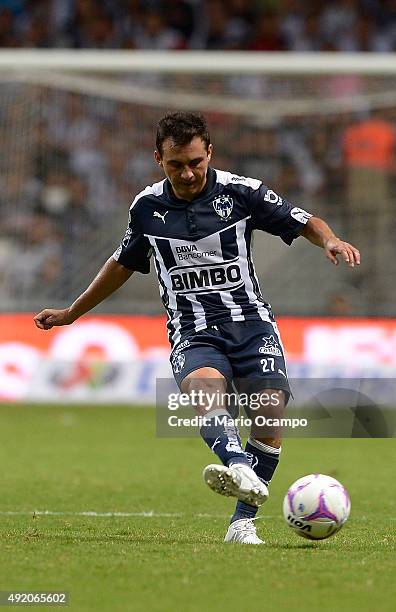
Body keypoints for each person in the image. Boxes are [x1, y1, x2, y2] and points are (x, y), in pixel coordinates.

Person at [34, 112, 360, 545]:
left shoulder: (241, 193)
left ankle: (241, 522)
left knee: (267, 419)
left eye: (194, 162)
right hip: (193, 330)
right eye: (175, 165)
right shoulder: (147, 208)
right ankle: (237, 466)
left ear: (210, 152)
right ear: (158, 159)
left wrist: (331, 240)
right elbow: (121, 265)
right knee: (205, 391)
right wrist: (73, 312)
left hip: (251, 325)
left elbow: (304, 221)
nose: (187, 173)